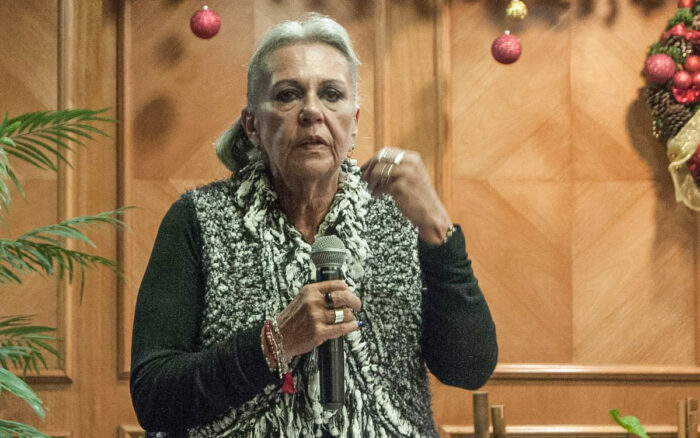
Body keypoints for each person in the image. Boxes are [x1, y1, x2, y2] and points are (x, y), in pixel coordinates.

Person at [130, 13, 498, 438]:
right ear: (253, 125)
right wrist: (274, 343)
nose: (311, 111)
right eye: (287, 95)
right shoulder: (199, 218)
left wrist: (437, 230)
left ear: (354, 121)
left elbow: (468, 370)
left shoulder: (399, 215)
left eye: (331, 94)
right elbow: (154, 397)